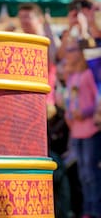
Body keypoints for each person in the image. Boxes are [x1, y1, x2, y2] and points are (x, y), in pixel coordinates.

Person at [59, 38, 100, 218]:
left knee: (91, 173)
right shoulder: (72, 76)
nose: (68, 54)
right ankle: (86, 210)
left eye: (72, 50)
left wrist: (84, 112)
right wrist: (69, 112)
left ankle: (95, 210)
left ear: (81, 52)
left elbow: (97, 101)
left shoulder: (89, 74)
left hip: (90, 130)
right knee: (82, 174)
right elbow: (70, 100)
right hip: (76, 131)